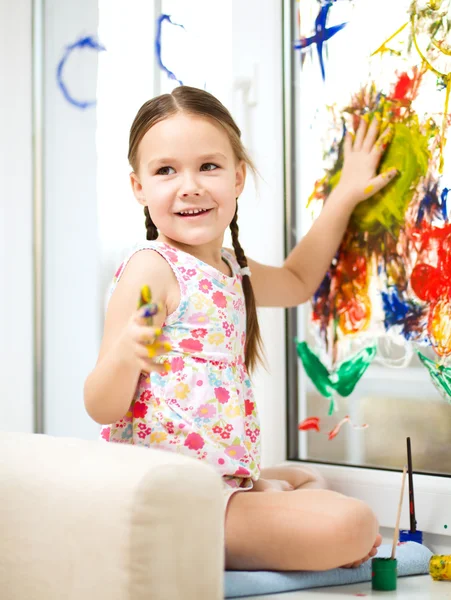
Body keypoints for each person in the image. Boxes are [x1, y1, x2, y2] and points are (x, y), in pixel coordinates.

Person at [84, 86, 397, 571]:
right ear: (138, 188)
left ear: (237, 178)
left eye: (208, 166)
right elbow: (102, 407)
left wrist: (346, 192)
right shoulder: (152, 268)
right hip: (166, 500)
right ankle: (274, 527)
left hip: (216, 486)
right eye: (166, 170)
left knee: (306, 481)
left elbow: (297, 281)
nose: (189, 185)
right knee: (354, 523)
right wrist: (126, 355)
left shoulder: (233, 270)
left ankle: (257, 501)